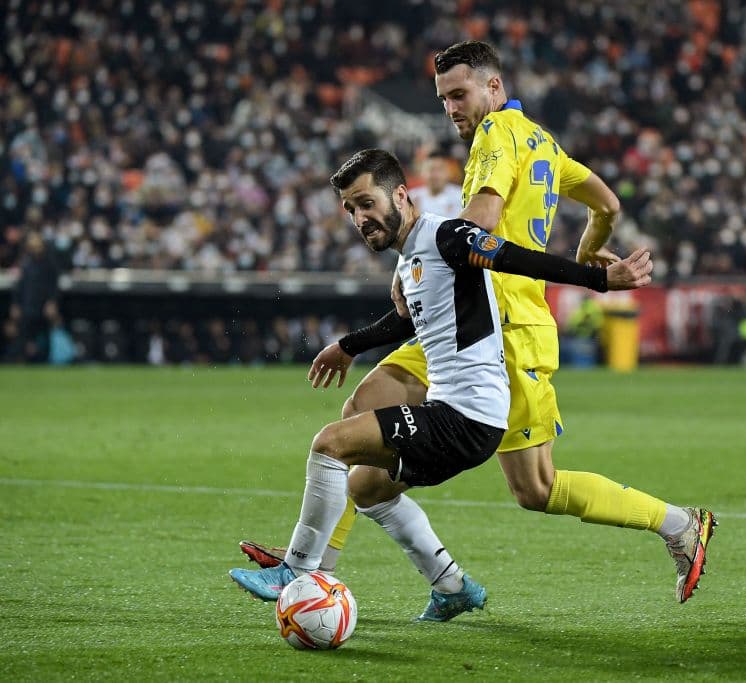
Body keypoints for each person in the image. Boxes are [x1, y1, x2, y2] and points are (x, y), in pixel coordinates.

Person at [238, 41, 716, 607]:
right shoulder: (544, 143)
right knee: (362, 421)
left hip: (506, 330)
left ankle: (679, 523)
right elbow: (606, 204)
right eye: (443, 100)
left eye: (459, 94)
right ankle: (317, 569)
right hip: (469, 320)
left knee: (535, 489)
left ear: (495, 88)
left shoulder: (496, 136)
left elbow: (480, 225)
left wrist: (428, 256)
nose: (451, 109)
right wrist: (590, 249)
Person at [228, 149, 663, 619]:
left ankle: (298, 570)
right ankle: (451, 586)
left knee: (331, 444)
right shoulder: (414, 255)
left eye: (367, 202)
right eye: (351, 210)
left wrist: (600, 279)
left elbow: (519, 260)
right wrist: (349, 346)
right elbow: (407, 322)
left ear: (400, 194)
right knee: (367, 489)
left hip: (465, 417)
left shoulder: (448, 236)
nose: (360, 218)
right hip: (458, 418)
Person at [6, 232, 60, 363]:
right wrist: (15, 304)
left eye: (37, 243)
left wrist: (52, 302)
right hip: (28, 306)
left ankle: (45, 360)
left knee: (45, 337)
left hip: (43, 306)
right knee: (24, 336)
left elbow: (54, 286)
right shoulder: (25, 263)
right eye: (32, 243)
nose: (35, 246)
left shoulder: (49, 263)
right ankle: (22, 360)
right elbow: (19, 286)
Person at [409, 151, 464, 218]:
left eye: (440, 170)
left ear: (448, 172)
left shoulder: (461, 197)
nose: (435, 175)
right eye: (431, 169)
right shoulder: (412, 198)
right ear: (422, 172)